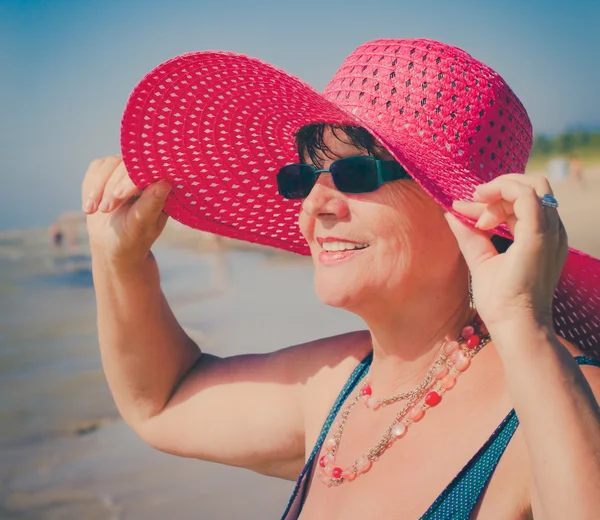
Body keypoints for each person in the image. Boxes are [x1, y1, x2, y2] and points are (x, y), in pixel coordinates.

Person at [83, 39, 600, 519]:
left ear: (471, 213)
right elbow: (163, 402)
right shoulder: (340, 384)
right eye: (303, 177)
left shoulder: (561, 393)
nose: (314, 206)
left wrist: (519, 322)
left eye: (355, 175)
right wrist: (120, 262)